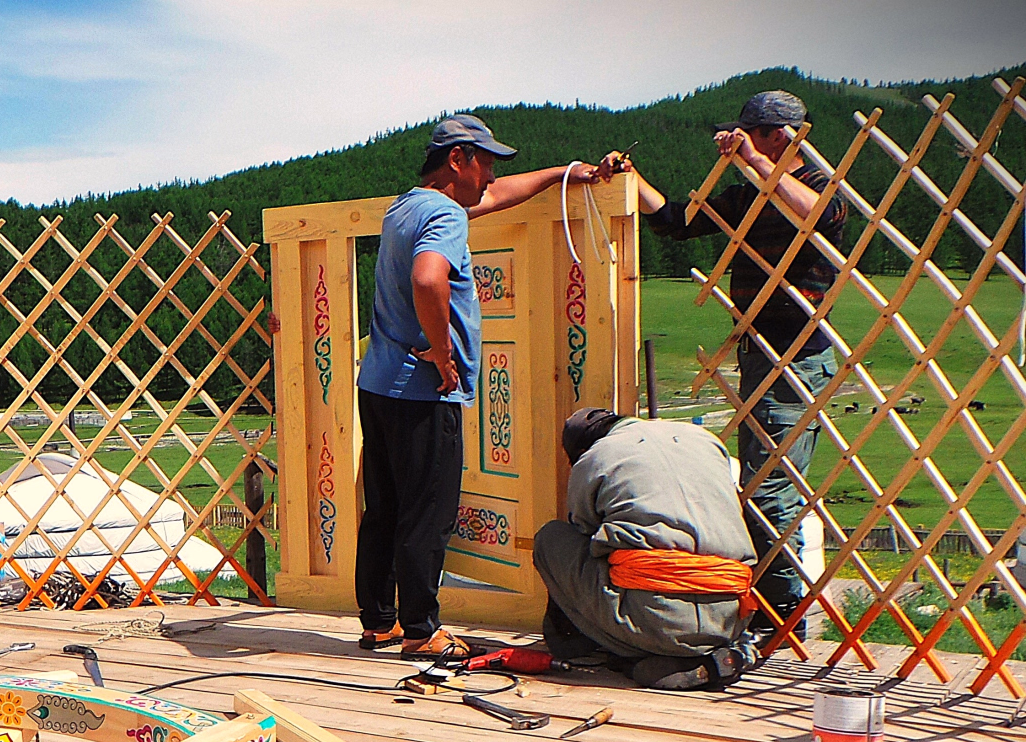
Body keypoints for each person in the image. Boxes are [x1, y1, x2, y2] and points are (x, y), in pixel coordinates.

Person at [356, 114, 605, 658]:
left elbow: (499, 195)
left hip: (378, 384)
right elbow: (428, 278)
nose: (491, 173)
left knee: (385, 506)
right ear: (457, 159)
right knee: (428, 511)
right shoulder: (445, 214)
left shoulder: (407, 206)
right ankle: (421, 631)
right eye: (485, 160)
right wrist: (442, 354)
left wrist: (565, 173)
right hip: (422, 389)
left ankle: (379, 621)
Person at [610, 90, 849, 638]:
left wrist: (758, 162)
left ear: (785, 136)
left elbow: (815, 217)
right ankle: (772, 607)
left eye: (756, 132)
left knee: (772, 487)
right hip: (756, 351)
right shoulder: (747, 197)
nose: (744, 140)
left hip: (799, 354)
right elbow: (675, 219)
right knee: (759, 485)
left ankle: (783, 613)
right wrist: (632, 176)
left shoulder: (819, 185)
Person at [533, 408, 758, 691]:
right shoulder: (704, 439)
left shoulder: (595, 458)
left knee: (552, 538)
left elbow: (584, 529)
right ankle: (711, 653)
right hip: (730, 613)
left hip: (655, 613)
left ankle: (619, 647)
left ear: (580, 448)